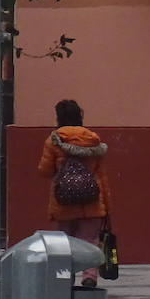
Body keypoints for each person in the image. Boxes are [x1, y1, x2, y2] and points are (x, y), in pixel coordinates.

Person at [37, 99, 112, 286]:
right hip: (92, 201)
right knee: (90, 241)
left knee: (65, 244)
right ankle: (89, 276)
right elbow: (102, 177)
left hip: (64, 201)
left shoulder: (53, 141)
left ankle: (65, 278)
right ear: (80, 115)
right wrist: (107, 208)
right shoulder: (93, 140)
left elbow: (45, 171)